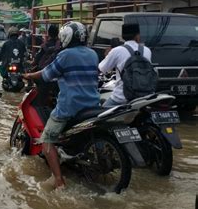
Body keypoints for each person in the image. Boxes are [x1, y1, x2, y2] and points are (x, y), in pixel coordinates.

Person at [23, 22, 100, 189]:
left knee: (47, 140)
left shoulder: (65, 55)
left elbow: (47, 74)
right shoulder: (93, 54)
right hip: (93, 104)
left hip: (70, 107)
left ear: (66, 37)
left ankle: (58, 180)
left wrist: (29, 75)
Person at [98, 24, 152, 107]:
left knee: (101, 115)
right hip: (145, 97)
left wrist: (107, 56)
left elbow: (102, 68)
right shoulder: (147, 50)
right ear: (137, 36)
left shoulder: (117, 50)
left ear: (123, 36)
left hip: (121, 98)